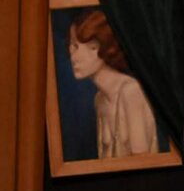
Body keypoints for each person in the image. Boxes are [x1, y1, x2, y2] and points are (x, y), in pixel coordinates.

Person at [67, 8, 158, 157]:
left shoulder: (131, 91)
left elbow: (143, 162)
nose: (73, 57)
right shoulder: (99, 100)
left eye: (76, 47)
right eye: (71, 46)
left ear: (99, 48)